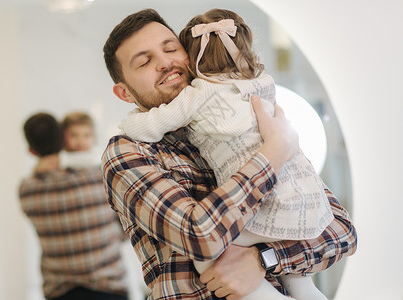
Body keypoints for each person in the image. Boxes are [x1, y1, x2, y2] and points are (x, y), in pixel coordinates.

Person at [102, 8, 357, 300]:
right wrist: (273, 152)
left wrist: (264, 260)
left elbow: (340, 232)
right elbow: (199, 236)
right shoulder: (127, 151)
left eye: (171, 48)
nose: (165, 62)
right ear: (124, 93)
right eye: (145, 61)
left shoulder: (249, 114)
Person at [19, 112, 129, 300]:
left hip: (60, 291)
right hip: (109, 286)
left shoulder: (26, 191)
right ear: (64, 140)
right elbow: (126, 228)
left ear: (31, 151)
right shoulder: (98, 177)